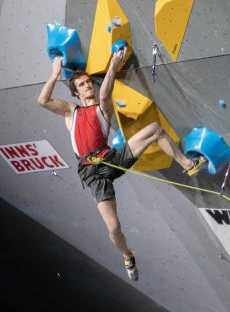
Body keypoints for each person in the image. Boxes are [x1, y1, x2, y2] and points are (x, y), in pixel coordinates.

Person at [37, 50, 206, 280]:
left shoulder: (101, 110)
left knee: (154, 129)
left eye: (88, 82)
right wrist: (55, 73)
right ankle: (127, 255)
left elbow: (105, 95)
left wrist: (113, 64)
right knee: (114, 228)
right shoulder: (71, 112)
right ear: (76, 92)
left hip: (111, 158)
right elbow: (42, 101)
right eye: (82, 85)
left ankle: (188, 164)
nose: (88, 86)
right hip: (92, 173)